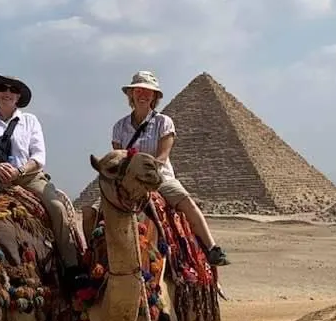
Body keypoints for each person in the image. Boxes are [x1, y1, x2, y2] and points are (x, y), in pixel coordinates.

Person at [85, 70, 229, 267]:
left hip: (159, 178)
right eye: (139, 90)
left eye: (148, 91)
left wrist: (144, 172)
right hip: (128, 183)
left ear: (154, 96)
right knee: (90, 211)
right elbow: (120, 160)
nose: (143, 94)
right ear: (131, 94)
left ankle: (212, 248)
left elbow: (162, 157)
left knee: (186, 202)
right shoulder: (119, 127)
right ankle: (90, 257)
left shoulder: (163, 122)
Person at [0, 73, 88, 291]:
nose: (7, 93)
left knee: (57, 208)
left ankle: (71, 266)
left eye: (13, 90)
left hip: (27, 178)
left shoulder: (30, 121)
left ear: (18, 96)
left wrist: (19, 170)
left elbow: (39, 157)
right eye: (3, 88)